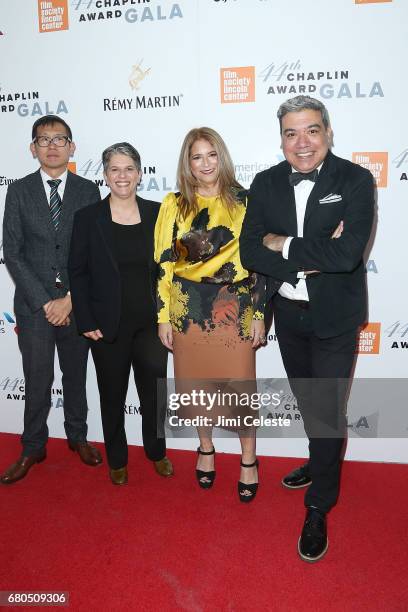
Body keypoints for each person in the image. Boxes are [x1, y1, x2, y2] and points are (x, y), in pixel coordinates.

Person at [240, 95, 374, 560]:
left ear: (328, 132)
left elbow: (346, 256)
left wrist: (285, 244)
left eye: (312, 130)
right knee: (308, 401)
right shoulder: (265, 182)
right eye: (291, 133)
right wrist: (310, 253)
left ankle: (318, 506)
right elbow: (250, 253)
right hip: (290, 316)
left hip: (335, 317)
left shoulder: (355, 180)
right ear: (280, 139)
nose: (302, 143)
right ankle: (321, 461)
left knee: (325, 408)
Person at [154, 127, 266, 502]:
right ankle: (206, 449)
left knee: (239, 389)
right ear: (188, 162)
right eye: (196, 156)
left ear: (222, 156)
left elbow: (260, 265)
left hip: (233, 307)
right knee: (196, 388)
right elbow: (163, 264)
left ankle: (249, 459)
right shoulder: (174, 204)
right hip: (187, 309)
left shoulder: (246, 201)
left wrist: (259, 313)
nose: (205, 163)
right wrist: (164, 316)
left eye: (211, 155)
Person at [1, 115, 102, 485]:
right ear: (33, 149)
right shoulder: (19, 191)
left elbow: (93, 251)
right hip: (33, 306)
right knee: (37, 378)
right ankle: (32, 447)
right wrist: (46, 301)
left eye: (60, 139)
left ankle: (78, 437)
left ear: (72, 146)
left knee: (75, 376)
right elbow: (12, 252)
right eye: (44, 140)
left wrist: (71, 299)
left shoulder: (89, 190)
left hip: (77, 305)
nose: (53, 146)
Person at [68, 142, 173, 485]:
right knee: (112, 395)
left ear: (140, 173)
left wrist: (168, 317)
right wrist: (85, 320)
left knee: (154, 394)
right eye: (115, 169)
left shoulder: (158, 214)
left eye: (129, 168)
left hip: (150, 325)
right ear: (105, 175)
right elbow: (78, 272)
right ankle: (117, 458)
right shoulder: (87, 218)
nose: (122, 175)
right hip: (106, 325)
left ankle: (157, 452)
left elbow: (170, 270)